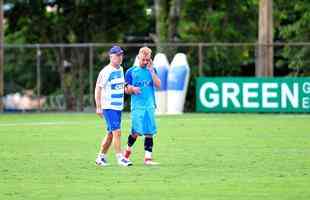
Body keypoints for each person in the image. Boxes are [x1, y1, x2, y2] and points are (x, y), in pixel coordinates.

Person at [94, 45, 132, 167]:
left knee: (111, 133)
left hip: (118, 107)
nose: (120, 57)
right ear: (111, 57)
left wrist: (129, 89)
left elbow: (121, 87)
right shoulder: (106, 71)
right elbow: (98, 89)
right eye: (117, 55)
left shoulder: (120, 69)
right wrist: (98, 106)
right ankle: (120, 158)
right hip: (109, 107)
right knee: (117, 132)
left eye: (121, 55)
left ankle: (100, 157)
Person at [123, 46, 161, 165]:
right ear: (139, 57)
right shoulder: (131, 72)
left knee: (149, 132)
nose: (145, 62)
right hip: (137, 107)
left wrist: (151, 71)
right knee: (136, 132)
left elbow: (158, 84)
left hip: (149, 105)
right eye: (143, 59)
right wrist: (132, 89)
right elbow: (125, 89)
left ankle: (148, 159)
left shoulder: (152, 70)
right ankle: (127, 153)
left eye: (147, 60)